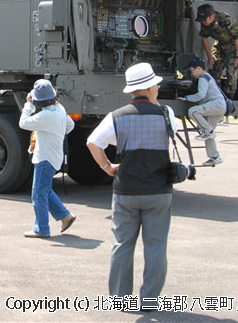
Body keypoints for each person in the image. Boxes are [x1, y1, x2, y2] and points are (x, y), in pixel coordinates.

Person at [86, 62, 173, 301]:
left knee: (122, 245)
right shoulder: (166, 114)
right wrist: (156, 105)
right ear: (151, 87)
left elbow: (93, 143)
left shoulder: (116, 117)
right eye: (156, 84)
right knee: (155, 247)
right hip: (158, 190)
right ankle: (150, 298)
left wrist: (107, 167)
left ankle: (120, 297)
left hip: (126, 190)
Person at [18, 79, 76, 238]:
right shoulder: (60, 109)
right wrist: (55, 133)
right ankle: (65, 216)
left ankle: (41, 228)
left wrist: (28, 105)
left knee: (38, 193)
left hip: (45, 158)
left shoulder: (45, 116)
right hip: (55, 155)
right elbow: (70, 126)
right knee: (44, 190)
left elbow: (23, 123)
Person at [179, 57, 225, 166]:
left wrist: (187, 97)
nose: (192, 73)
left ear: (199, 68)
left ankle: (208, 131)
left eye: (192, 71)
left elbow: (201, 95)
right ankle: (214, 157)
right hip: (219, 107)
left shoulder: (203, 78)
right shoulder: (208, 77)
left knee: (193, 111)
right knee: (209, 135)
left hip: (215, 105)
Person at [196, 3, 238, 98]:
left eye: (205, 19)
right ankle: (215, 94)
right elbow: (205, 39)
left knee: (230, 71)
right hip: (219, 46)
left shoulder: (225, 19)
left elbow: (237, 38)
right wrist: (210, 57)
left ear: (212, 16)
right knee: (214, 69)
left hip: (233, 47)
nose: (203, 22)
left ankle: (230, 97)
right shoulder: (205, 23)